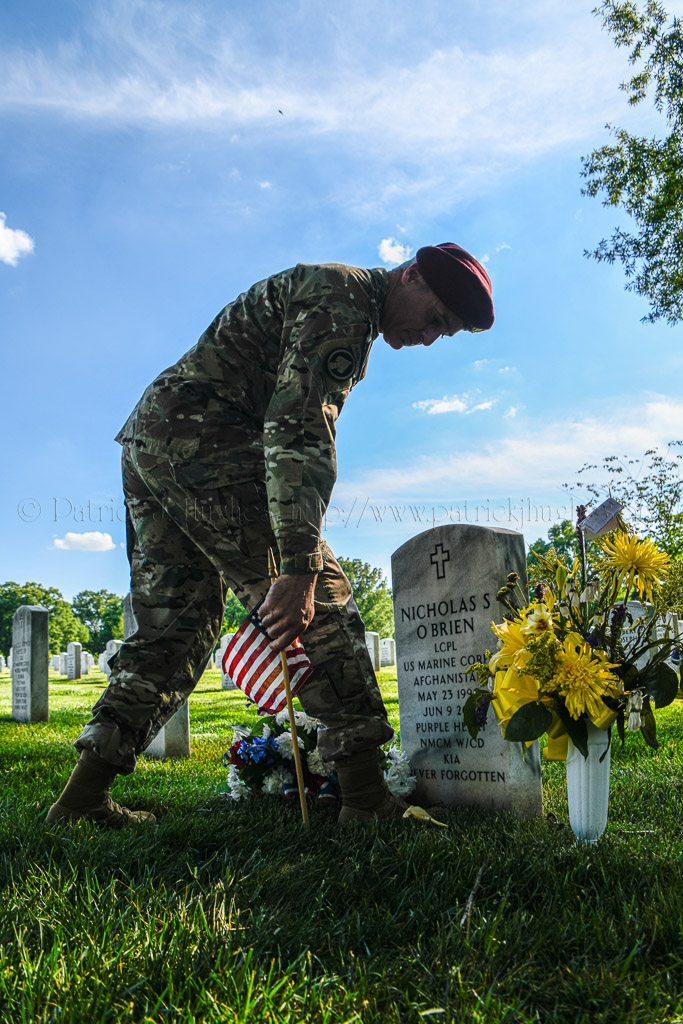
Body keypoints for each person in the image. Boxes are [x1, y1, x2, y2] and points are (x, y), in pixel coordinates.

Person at [47, 242, 494, 828]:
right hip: (206, 442)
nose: (431, 337)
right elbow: (300, 427)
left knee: (175, 627)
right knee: (321, 607)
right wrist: (299, 565)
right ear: (410, 275)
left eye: (447, 333)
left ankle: (82, 798)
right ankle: (365, 799)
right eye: (436, 318)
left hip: (156, 440)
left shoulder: (340, 296)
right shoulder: (345, 302)